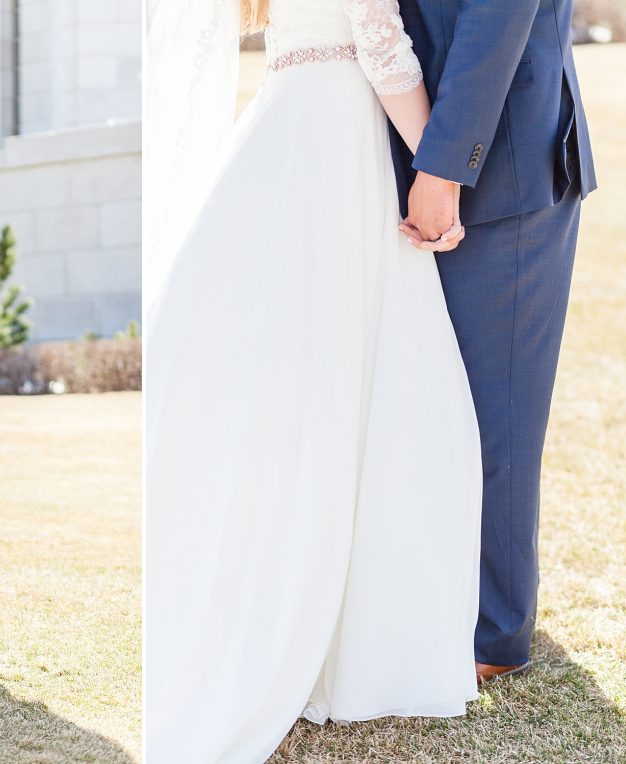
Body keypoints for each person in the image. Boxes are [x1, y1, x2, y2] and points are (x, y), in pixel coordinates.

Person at [145, 0, 482, 760]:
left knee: (289, 358)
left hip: (280, 116)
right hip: (336, 132)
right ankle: (347, 624)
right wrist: (437, 171)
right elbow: (380, 42)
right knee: (350, 359)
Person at [393, 0, 596, 684]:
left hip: (500, 164)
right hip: (420, 154)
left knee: (496, 420)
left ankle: (495, 633)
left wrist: (443, 166)